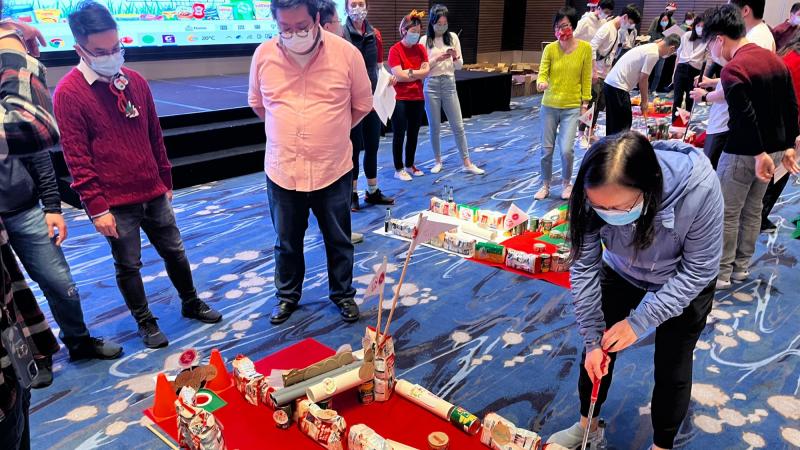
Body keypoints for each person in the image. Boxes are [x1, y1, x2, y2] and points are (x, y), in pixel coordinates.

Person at [54, 1, 222, 349]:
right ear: (80, 49)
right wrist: (97, 208)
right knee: (129, 265)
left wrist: (165, 179)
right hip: (115, 203)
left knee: (175, 251)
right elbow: (76, 157)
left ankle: (191, 301)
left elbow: (154, 135)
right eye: (101, 52)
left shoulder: (135, 81)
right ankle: (145, 321)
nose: (111, 56)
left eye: (116, 47)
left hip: (153, 190)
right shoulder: (69, 93)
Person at [547, 132, 723, 450]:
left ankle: (662, 444)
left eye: (619, 207)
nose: (608, 215)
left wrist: (639, 322)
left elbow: (699, 270)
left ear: (648, 188)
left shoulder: (700, 189)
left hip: (681, 278)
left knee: (673, 363)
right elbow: (584, 268)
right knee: (597, 349)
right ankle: (588, 425)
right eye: (599, 207)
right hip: (621, 268)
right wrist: (592, 339)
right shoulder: (592, 189)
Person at [248, 0, 372, 324]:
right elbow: (258, 104)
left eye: (301, 26)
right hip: (283, 170)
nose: (293, 33)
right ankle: (287, 296)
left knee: (338, 239)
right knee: (286, 242)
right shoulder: (263, 55)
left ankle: (343, 294)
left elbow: (362, 104)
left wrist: (331, 131)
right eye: (285, 28)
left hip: (333, 168)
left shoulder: (346, 54)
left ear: (317, 18)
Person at [699, 5, 799, 290]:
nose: (711, 52)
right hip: (775, 150)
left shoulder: (734, 68)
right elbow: (790, 106)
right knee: (753, 209)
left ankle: (721, 272)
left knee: (728, 211)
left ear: (719, 39)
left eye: (710, 44)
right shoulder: (775, 59)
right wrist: (789, 146)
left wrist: (757, 154)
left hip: (746, 152)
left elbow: (744, 117)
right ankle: (741, 267)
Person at [0, 15, 61, 448]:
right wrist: (10, 43)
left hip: (22, 210)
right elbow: (32, 123)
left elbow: (35, 147)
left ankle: (48, 352)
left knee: (57, 283)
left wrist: (52, 205)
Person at [690, 2, 777, 170]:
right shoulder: (757, 34)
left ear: (745, 10)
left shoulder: (755, 39)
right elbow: (743, 78)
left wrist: (705, 96)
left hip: (728, 122)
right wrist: (712, 82)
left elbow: (738, 87)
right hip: (730, 120)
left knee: (714, 174)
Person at [339, 0, 394, 215]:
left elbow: (379, 67)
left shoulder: (375, 34)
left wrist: (388, 79)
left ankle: (372, 191)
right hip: (351, 103)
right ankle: (352, 193)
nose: (357, 9)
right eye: (353, 4)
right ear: (346, 8)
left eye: (361, 4)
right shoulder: (341, 35)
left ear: (367, 7)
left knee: (372, 146)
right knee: (353, 150)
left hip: (372, 102)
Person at [535, 7, 593, 201]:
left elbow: (586, 78)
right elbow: (543, 72)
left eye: (565, 25)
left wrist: (585, 103)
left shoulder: (585, 49)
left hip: (571, 107)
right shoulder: (550, 49)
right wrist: (541, 82)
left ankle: (566, 184)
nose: (562, 30)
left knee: (567, 150)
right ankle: (545, 185)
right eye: (558, 26)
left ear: (573, 26)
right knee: (546, 149)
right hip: (549, 105)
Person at [420, 4, 484, 176]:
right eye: (438, 24)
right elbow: (422, 68)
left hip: (449, 82)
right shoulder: (424, 40)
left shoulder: (453, 37)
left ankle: (467, 162)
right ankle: (437, 161)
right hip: (431, 84)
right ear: (432, 22)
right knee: (434, 126)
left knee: (458, 125)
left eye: (445, 23)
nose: (442, 27)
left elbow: (459, 65)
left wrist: (454, 56)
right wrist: (438, 58)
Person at [603, 34, 680, 135]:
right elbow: (643, 79)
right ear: (672, 48)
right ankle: (616, 144)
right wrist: (644, 101)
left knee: (614, 123)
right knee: (623, 126)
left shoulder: (651, 47)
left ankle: (611, 143)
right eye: (673, 52)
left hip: (612, 84)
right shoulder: (653, 54)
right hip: (617, 86)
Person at [762, 32, 800, 232]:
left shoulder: (787, 54)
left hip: (774, 122)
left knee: (775, 170)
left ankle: (758, 214)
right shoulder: (795, 61)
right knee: (781, 171)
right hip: (787, 125)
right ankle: (760, 215)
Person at [388, 10, 430, 181]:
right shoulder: (395, 50)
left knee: (413, 133)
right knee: (399, 133)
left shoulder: (421, 48)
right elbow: (398, 75)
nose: (416, 35)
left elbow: (426, 71)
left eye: (418, 32)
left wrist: (410, 73)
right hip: (400, 98)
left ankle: (409, 164)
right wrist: (416, 73)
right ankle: (398, 168)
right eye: (413, 31)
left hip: (417, 97)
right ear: (404, 31)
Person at [589, 4, 641, 140]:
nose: (630, 26)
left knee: (599, 105)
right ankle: (583, 134)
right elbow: (591, 47)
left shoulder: (616, 30)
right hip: (596, 73)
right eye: (631, 22)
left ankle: (590, 132)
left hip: (604, 74)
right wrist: (593, 71)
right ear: (625, 17)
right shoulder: (607, 28)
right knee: (591, 105)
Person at [670, 16, 706, 120]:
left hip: (695, 71)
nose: (700, 28)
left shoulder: (707, 39)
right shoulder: (686, 35)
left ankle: (687, 122)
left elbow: (707, 61)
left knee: (690, 99)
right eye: (698, 25)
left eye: (702, 26)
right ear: (694, 26)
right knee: (677, 98)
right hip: (681, 68)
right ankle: (674, 122)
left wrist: (702, 77)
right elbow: (678, 54)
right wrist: (674, 72)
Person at [647, 12, 674, 91]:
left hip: (663, 54)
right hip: (653, 53)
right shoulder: (655, 30)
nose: (664, 22)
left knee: (658, 74)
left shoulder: (670, 32)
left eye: (666, 20)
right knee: (648, 72)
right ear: (660, 20)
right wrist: (656, 41)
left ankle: (653, 90)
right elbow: (650, 42)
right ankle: (644, 88)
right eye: (663, 20)